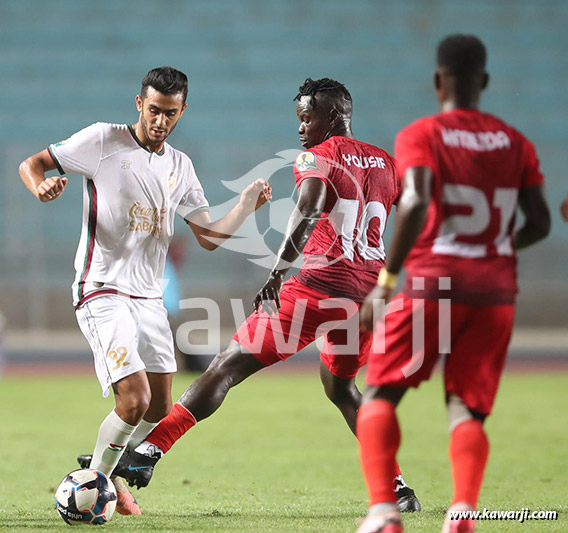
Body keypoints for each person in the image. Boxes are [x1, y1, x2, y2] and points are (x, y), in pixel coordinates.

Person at [81, 77, 422, 512]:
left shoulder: (317, 157)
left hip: (319, 286)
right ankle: (397, 486)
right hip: (368, 297)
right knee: (342, 389)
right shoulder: (387, 163)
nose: (300, 128)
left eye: (306, 118)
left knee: (227, 366)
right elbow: (413, 210)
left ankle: (148, 452)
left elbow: (313, 202)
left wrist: (279, 270)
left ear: (331, 116)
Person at [19, 66, 270, 516]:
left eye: (170, 113)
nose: (160, 121)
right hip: (101, 288)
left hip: (148, 298)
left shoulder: (179, 165)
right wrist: (41, 186)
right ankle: (93, 492)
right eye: (153, 110)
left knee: (158, 408)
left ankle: (106, 473)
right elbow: (32, 163)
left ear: (182, 112)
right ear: (139, 104)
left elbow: (208, 236)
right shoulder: (102, 141)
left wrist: (246, 204)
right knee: (132, 400)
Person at [355, 35, 550, 533]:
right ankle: (462, 512)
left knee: (379, 392)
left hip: (431, 285)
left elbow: (416, 201)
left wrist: (386, 280)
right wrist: (494, 249)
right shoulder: (515, 141)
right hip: (494, 294)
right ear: (483, 82)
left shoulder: (422, 134)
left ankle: (383, 513)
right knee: (467, 407)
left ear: (438, 80)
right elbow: (541, 222)